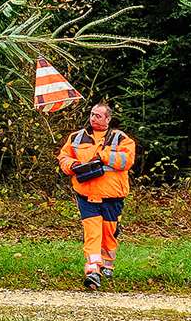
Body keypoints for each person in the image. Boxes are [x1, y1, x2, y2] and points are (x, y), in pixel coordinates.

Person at [57, 100, 136, 290]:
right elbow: (63, 157)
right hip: (86, 195)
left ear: (108, 119)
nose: (93, 118)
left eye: (98, 115)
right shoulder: (76, 137)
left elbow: (127, 160)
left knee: (109, 233)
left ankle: (107, 263)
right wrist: (72, 165)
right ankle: (93, 270)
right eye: (92, 114)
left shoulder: (121, 138)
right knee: (92, 233)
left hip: (112, 196)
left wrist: (103, 155)